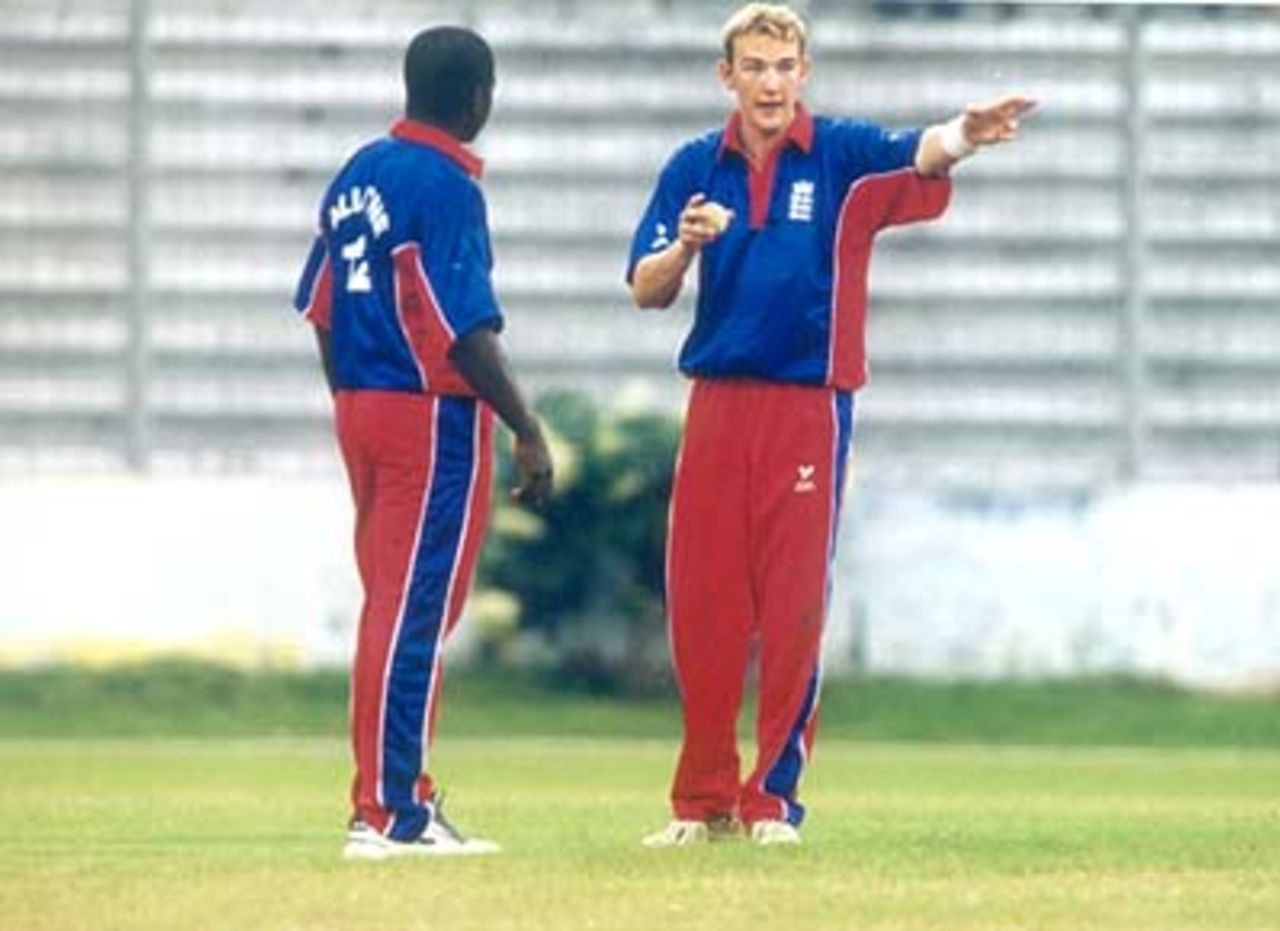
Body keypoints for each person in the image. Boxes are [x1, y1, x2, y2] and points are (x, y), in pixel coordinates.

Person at [627, 2, 1033, 847]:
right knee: (701, 604)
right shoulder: (694, 167)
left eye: (784, 67)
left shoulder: (840, 154)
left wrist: (964, 132)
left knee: (792, 603)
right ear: (726, 75)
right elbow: (644, 285)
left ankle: (773, 798)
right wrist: (687, 248)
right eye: (754, 66)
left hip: (808, 404)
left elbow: (913, 154)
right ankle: (703, 802)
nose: (770, 83)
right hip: (716, 403)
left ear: (802, 73)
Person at [293, 25, 553, 859]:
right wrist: (527, 427)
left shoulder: (358, 172)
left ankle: (383, 799)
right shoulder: (447, 187)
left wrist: (351, 400)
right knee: (412, 615)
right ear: (479, 99)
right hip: (428, 417)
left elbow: (320, 303)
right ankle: (392, 811)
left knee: (389, 607)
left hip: (362, 405)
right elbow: (465, 331)